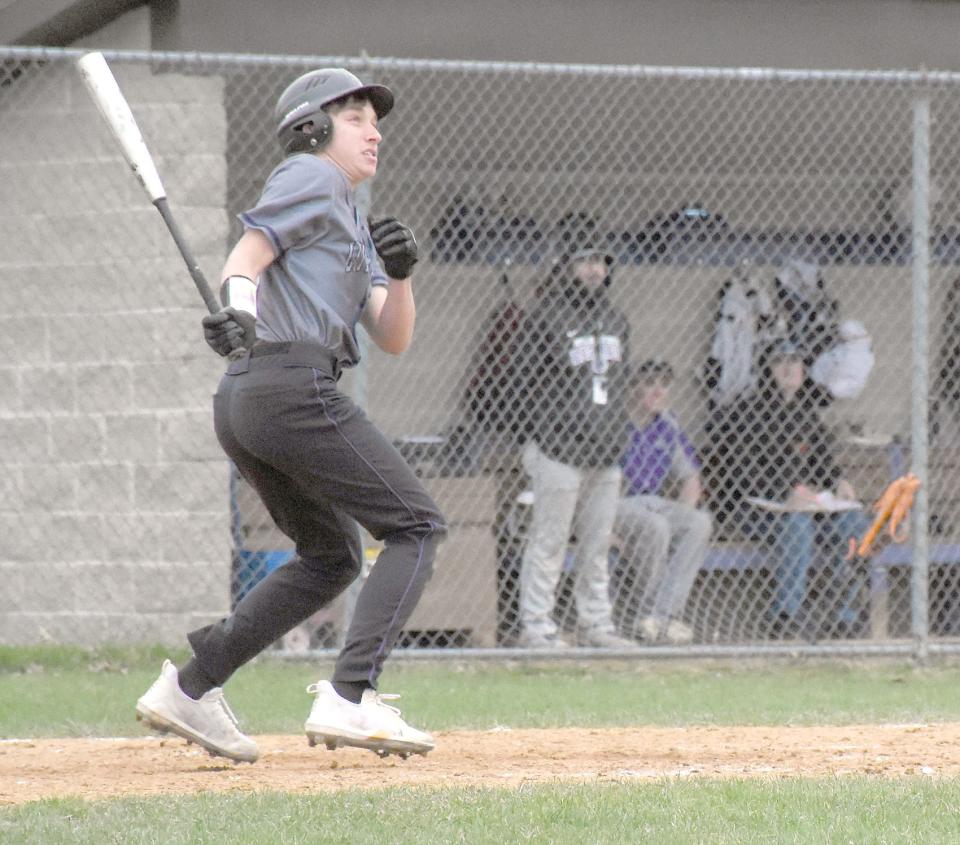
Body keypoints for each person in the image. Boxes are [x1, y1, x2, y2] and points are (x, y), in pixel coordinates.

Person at [135, 68, 447, 763]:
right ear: (312, 129)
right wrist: (238, 314)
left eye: (376, 118)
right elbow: (246, 259)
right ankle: (351, 695)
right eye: (357, 116)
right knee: (417, 525)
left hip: (252, 398)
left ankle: (191, 685)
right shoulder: (311, 175)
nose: (375, 130)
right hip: (289, 384)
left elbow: (392, 335)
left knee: (332, 555)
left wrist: (400, 273)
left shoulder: (349, 215)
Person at [513, 243, 634, 649]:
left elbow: (620, 386)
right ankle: (537, 626)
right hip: (560, 450)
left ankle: (595, 623)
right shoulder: (544, 318)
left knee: (597, 544)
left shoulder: (618, 320)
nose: (594, 270)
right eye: (584, 261)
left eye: (600, 261)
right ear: (566, 266)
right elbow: (521, 384)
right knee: (550, 540)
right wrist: (545, 434)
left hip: (606, 452)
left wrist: (617, 435)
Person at [706, 339, 869, 639]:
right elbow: (743, 474)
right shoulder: (748, 413)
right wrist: (784, 494)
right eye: (779, 361)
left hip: (802, 507)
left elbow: (822, 462)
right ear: (767, 370)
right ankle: (786, 616)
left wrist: (838, 482)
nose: (789, 367)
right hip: (755, 509)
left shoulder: (804, 414)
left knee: (854, 522)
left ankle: (846, 615)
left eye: (795, 360)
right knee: (797, 525)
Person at [610, 359, 712, 644]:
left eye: (664, 384)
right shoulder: (615, 422)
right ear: (631, 389)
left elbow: (691, 479)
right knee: (656, 527)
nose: (658, 391)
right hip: (616, 503)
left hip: (652, 501)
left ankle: (663, 617)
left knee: (698, 523)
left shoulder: (667, 425)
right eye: (649, 383)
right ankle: (648, 616)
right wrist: (609, 532)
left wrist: (683, 514)